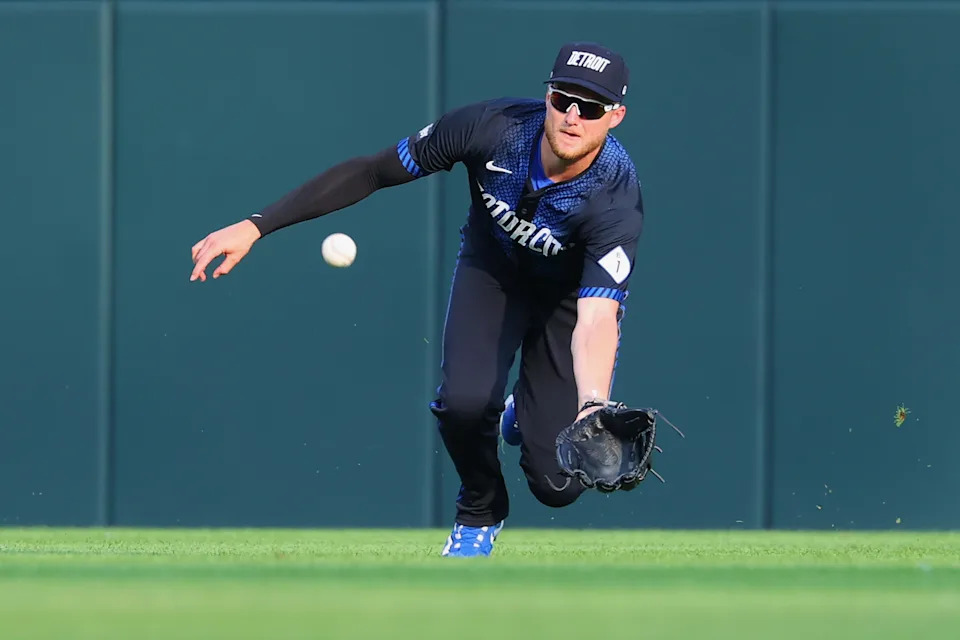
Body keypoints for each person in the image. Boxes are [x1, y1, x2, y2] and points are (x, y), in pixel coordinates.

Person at [190, 41, 644, 557]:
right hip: (492, 273)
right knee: (464, 405)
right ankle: (479, 510)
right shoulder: (491, 128)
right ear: (547, 96)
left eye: (591, 108)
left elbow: (597, 315)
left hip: (567, 301)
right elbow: (372, 171)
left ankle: (524, 414)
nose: (572, 117)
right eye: (563, 99)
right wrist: (257, 225)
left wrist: (591, 405)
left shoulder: (615, 197)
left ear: (616, 116)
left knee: (558, 486)